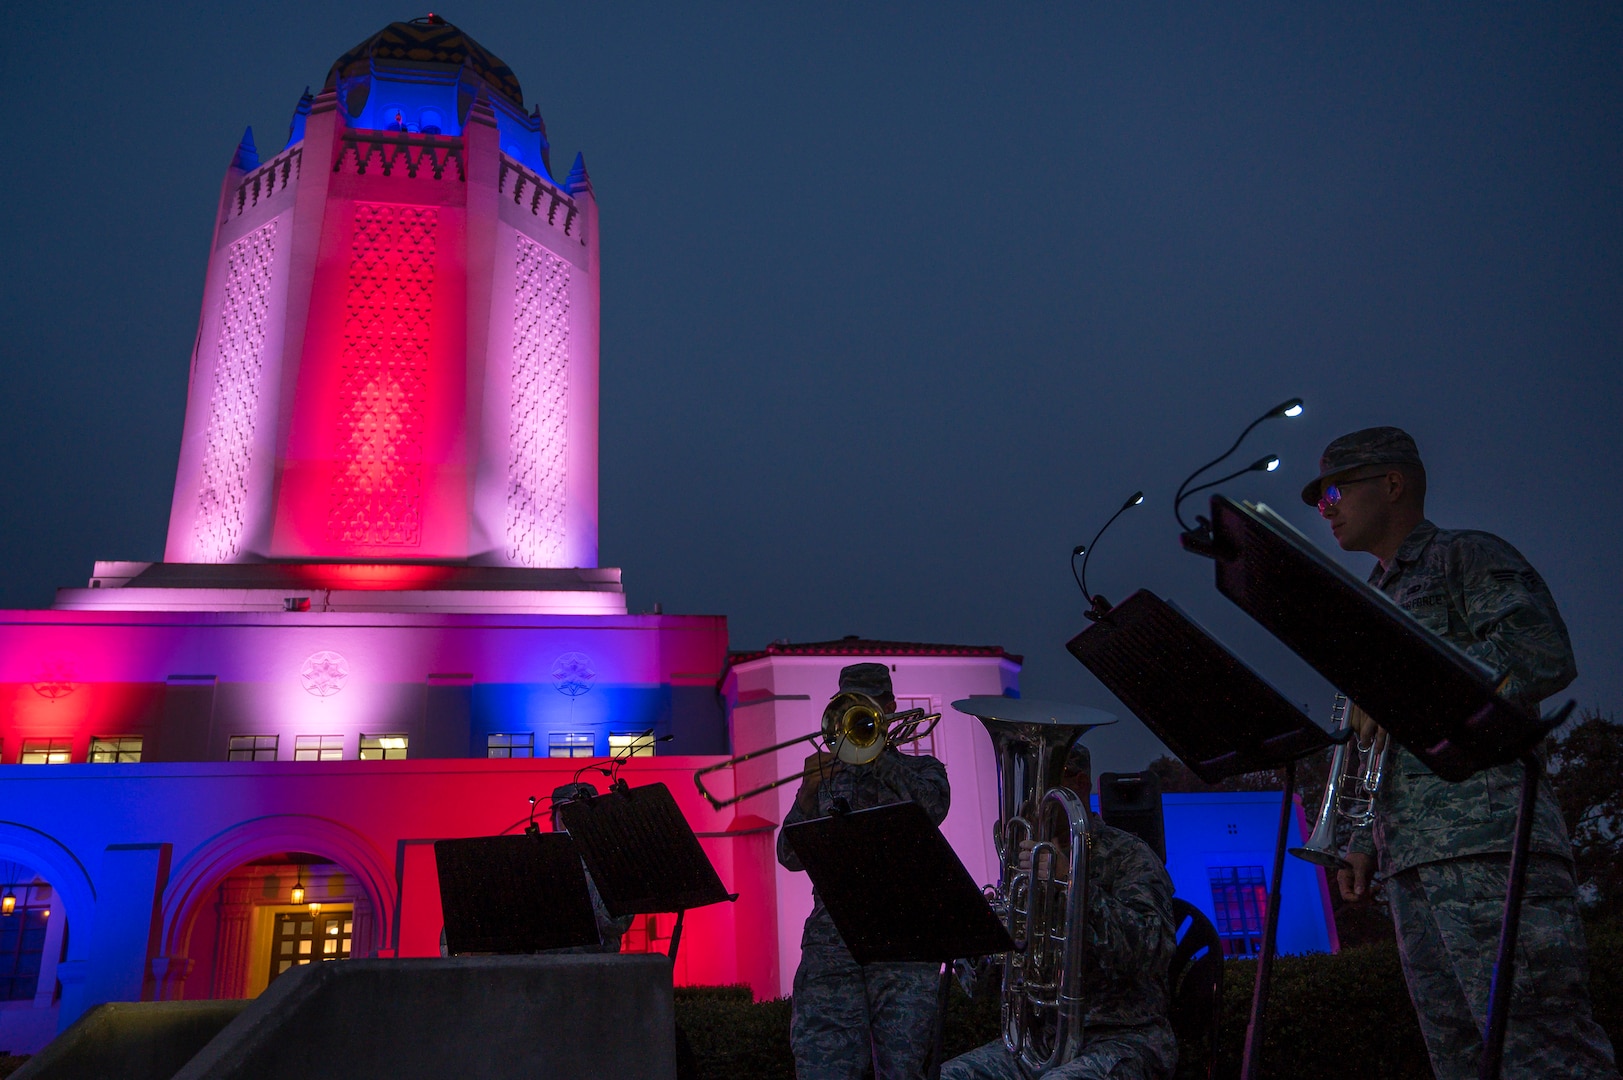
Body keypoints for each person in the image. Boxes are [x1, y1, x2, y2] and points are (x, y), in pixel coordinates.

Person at [1304, 426, 1617, 1080]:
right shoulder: (1370, 597)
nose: (1323, 506)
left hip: (1490, 846)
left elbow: (1540, 657)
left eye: (1334, 489)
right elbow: (1374, 741)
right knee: (1462, 1064)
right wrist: (1360, 836)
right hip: (1411, 861)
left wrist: (1396, 688)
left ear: (1391, 484)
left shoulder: (1463, 557)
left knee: (1542, 1054)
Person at [942, 742, 1177, 1080]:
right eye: (1029, 788)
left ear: (1080, 784)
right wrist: (985, 937)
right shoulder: (1024, 864)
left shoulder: (1130, 854)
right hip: (1038, 1042)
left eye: (1045, 785)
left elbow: (1151, 949)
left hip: (1122, 1037)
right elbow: (979, 988)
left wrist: (1071, 883)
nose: (1033, 800)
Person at [778, 663, 950, 1080]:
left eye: (869, 707)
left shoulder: (922, 771)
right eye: (849, 708)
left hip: (904, 945)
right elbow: (789, 855)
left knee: (903, 1069)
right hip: (832, 945)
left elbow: (933, 810)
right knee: (824, 1068)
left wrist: (878, 759)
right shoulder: (824, 776)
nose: (857, 717)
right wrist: (806, 794)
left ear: (890, 708)